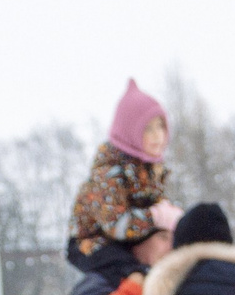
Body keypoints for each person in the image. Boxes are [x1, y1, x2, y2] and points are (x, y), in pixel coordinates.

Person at [68, 77, 180, 263]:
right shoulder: (109, 170)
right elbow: (116, 225)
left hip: (127, 240)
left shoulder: (150, 169)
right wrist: (156, 216)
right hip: (92, 243)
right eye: (148, 129)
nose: (158, 136)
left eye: (160, 126)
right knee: (133, 274)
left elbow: (154, 207)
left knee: (168, 255)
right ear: (130, 132)